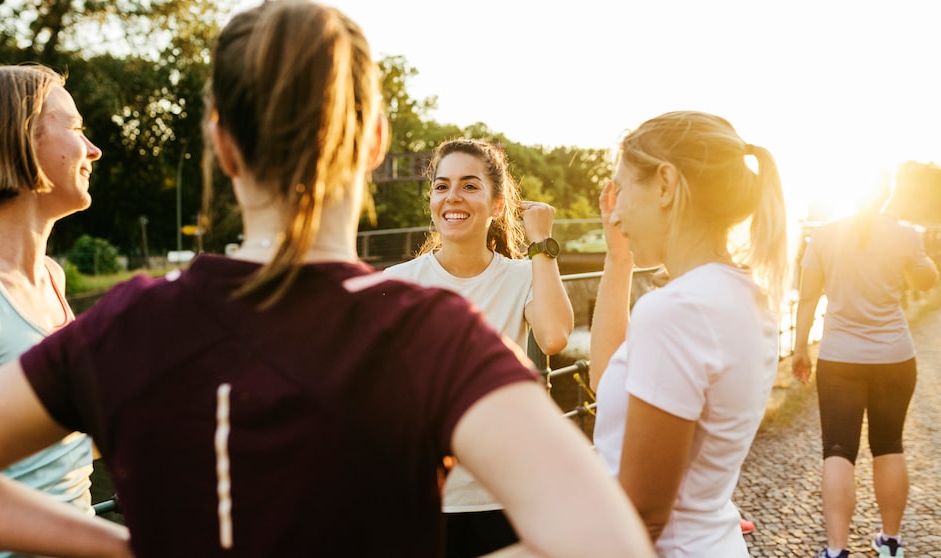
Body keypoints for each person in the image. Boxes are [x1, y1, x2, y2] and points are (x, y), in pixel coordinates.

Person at [0, 2, 655, 557]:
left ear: (223, 147)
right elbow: (605, 540)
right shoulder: (429, 332)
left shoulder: (126, 324)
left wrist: (126, 545)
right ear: (375, 138)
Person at [589, 110, 787, 556]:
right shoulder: (742, 296)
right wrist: (618, 259)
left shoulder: (676, 311)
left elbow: (643, 515)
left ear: (664, 184)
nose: (615, 212)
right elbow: (610, 384)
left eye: (621, 189)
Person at [383, 138, 575, 557]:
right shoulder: (397, 283)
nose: (452, 197)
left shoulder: (523, 275)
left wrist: (542, 243)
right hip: (423, 496)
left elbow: (555, 336)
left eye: (470, 186)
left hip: (507, 493)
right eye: (441, 186)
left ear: (498, 205)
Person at [0, 64, 100, 557]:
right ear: (20, 139)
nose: (93, 150)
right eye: (76, 128)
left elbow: (58, 445)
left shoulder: (52, 279)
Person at [793, 177, 937, 558]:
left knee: (838, 450)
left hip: (840, 358)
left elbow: (807, 297)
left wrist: (799, 350)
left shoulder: (823, 236)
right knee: (889, 445)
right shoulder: (905, 235)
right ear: (888, 192)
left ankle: (837, 550)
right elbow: (926, 282)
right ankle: (891, 543)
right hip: (894, 357)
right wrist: (917, 257)